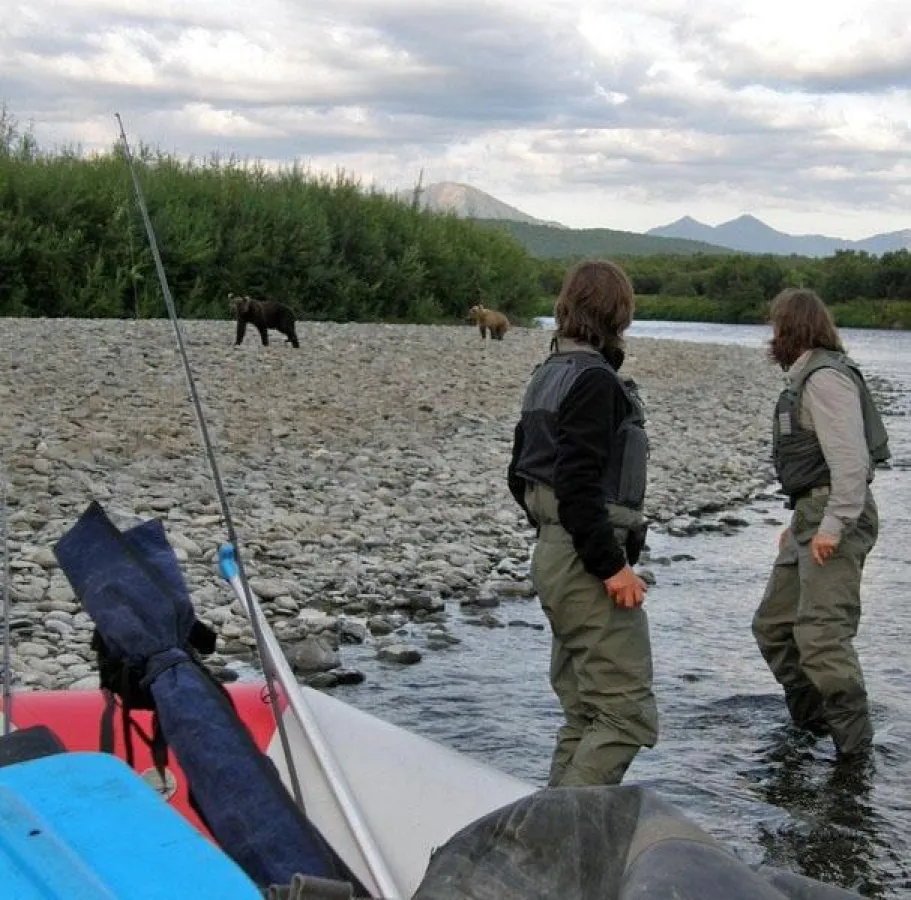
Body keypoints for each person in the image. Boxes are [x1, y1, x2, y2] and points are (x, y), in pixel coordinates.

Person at [507, 259, 657, 787]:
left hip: (554, 556)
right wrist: (611, 567)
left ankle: (549, 825)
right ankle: (566, 830)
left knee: (584, 712)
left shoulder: (547, 375)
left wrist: (554, 537)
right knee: (624, 714)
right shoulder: (595, 381)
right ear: (620, 312)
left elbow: (518, 474)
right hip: (584, 560)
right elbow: (576, 486)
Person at [752, 288, 890, 761]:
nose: (771, 337)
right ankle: (812, 729)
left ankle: (854, 757)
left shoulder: (826, 379)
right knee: (774, 628)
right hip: (811, 515)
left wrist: (832, 526)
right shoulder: (808, 376)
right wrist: (800, 522)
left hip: (836, 516)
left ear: (790, 329)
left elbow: (851, 463)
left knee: (822, 638)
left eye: (775, 327)